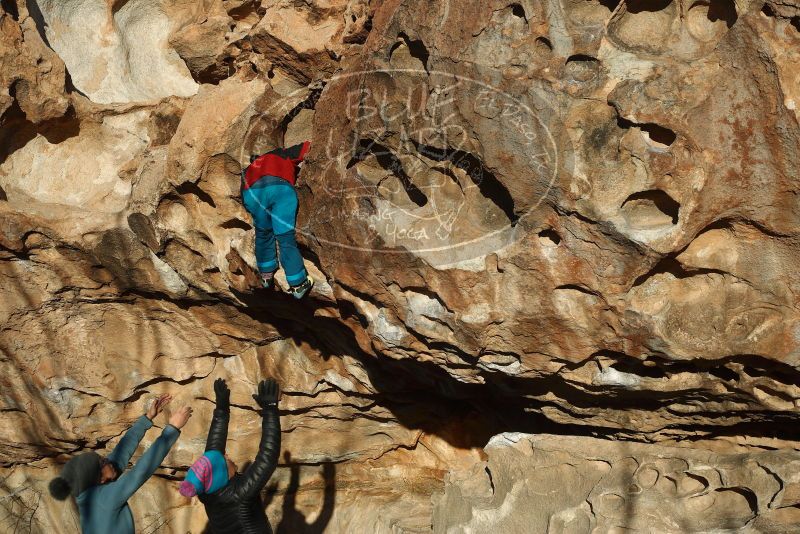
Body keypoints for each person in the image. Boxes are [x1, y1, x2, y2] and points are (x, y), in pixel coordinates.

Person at [48, 394, 193, 534]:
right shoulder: (103, 499)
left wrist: (148, 417)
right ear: (100, 479)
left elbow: (120, 453)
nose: (108, 459)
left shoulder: (88, 496)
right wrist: (172, 429)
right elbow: (140, 472)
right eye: (103, 462)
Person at [179, 378, 281, 534]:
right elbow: (268, 456)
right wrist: (270, 409)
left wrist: (222, 408)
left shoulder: (206, 492)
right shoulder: (240, 494)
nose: (226, 455)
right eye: (224, 459)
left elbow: (214, 448)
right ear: (223, 474)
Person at [242, 141, 314, 299]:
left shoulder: (248, 169)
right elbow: (307, 147)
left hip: (252, 194)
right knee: (285, 237)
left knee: (263, 232)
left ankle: (266, 275)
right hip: (279, 188)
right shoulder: (280, 153)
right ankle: (298, 284)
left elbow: (242, 191)